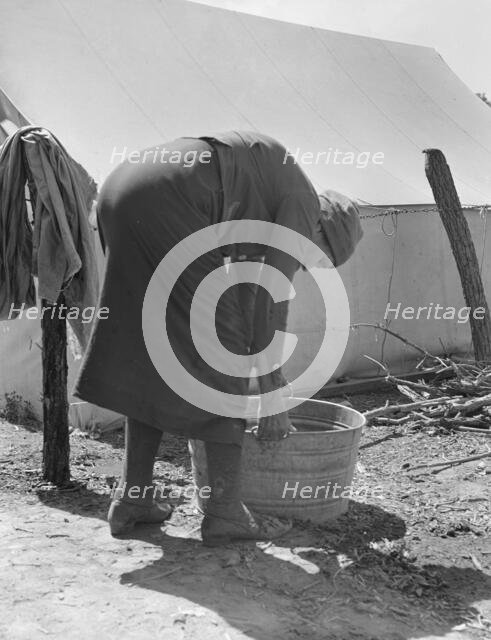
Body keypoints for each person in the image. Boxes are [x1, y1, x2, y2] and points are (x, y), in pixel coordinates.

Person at [74, 131, 362, 545]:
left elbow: (248, 295)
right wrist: (270, 392)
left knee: (152, 353)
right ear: (321, 226)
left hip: (121, 194)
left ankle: (132, 498)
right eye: (318, 253)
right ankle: (225, 511)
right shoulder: (302, 201)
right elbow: (267, 298)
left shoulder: (266, 196)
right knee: (222, 353)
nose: (309, 262)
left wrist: (264, 370)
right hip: (167, 202)